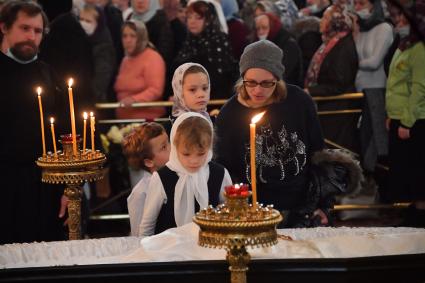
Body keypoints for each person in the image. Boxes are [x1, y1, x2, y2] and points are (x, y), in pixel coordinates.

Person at [215, 40, 327, 228]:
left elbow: (319, 154)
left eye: (267, 83)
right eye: (250, 82)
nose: (257, 90)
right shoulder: (229, 113)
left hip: (301, 207)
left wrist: (322, 204)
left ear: (278, 79)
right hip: (253, 211)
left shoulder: (299, 101)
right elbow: (226, 168)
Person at [0, 0, 66, 244]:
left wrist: (70, 188)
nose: (31, 36)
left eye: (37, 31)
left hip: (44, 186)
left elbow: (65, 132)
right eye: (24, 28)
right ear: (4, 27)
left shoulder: (48, 75)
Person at [139, 112, 233, 236]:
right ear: (175, 147)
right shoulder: (162, 177)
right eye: (186, 154)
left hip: (209, 248)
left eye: (201, 154)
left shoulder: (220, 174)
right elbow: (148, 223)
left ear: (209, 147)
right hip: (169, 249)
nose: (194, 161)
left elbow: (232, 214)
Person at [385, 0, 425, 227]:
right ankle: (414, 211)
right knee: (405, 170)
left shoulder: (419, 49)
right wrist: (392, 115)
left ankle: (420, 215)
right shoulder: (405, 45)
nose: (398, 22)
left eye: (403, 19)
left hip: (416, 120)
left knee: (417, 169)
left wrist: (407, 122)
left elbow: (420, 88)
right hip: (400, 117)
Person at [304, 3, 359, 151]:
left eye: (325, 18)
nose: (321, 21)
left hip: (337, 111)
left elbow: (339, 83)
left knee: (334, 152)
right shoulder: (330, 42)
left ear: (336, 22)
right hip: (328, 108)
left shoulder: (343, 46)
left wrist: (312, 91)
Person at [353, 0, 393, 171]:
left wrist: (354, 63)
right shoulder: (359, 30)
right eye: (355, 4)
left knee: (374, 138)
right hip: (359, 91)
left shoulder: (384, 28)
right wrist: (355, 35)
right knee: (361, 137)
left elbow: (374, 61)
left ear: (373, 5)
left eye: (361, 3)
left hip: (376, 89)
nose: (357, 8)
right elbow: (355, 56)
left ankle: (375, 177)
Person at [173, 0, 238, 100]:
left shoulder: (218, 41)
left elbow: (221, 79)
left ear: (208, 20)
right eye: (189, 17)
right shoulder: (188, 42)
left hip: (213, 102)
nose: (192, 21)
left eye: (198, 17)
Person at [123, 123, 171, 236]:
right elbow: (138, 236)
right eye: (164, 147)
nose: (172, 148)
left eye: (169, 141)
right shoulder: (141, 193)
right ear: (149, 162)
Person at [114, 20, 166, 119]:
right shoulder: (125, 59)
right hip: (124, 120)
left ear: (141, 37)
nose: (128, 40)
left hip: (147, 121)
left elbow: (155, 90)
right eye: (124, 36)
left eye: (133, 36)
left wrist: (134, 99)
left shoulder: (153, 57)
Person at [79, 4, 116, 103]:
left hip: (95, 100)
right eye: (81, 19)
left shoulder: (104, 46)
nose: (83, 23)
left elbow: (102, 77)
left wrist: (88, 97)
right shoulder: (81, 40)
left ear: (98, 24)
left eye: (88, 21)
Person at [254, 13, 303, 87]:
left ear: (273, 27)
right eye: (258, 29)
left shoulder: (288, 44)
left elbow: (283, 73)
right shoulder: (256, 44)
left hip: (286, 89)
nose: (261, 32)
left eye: (264, 28)